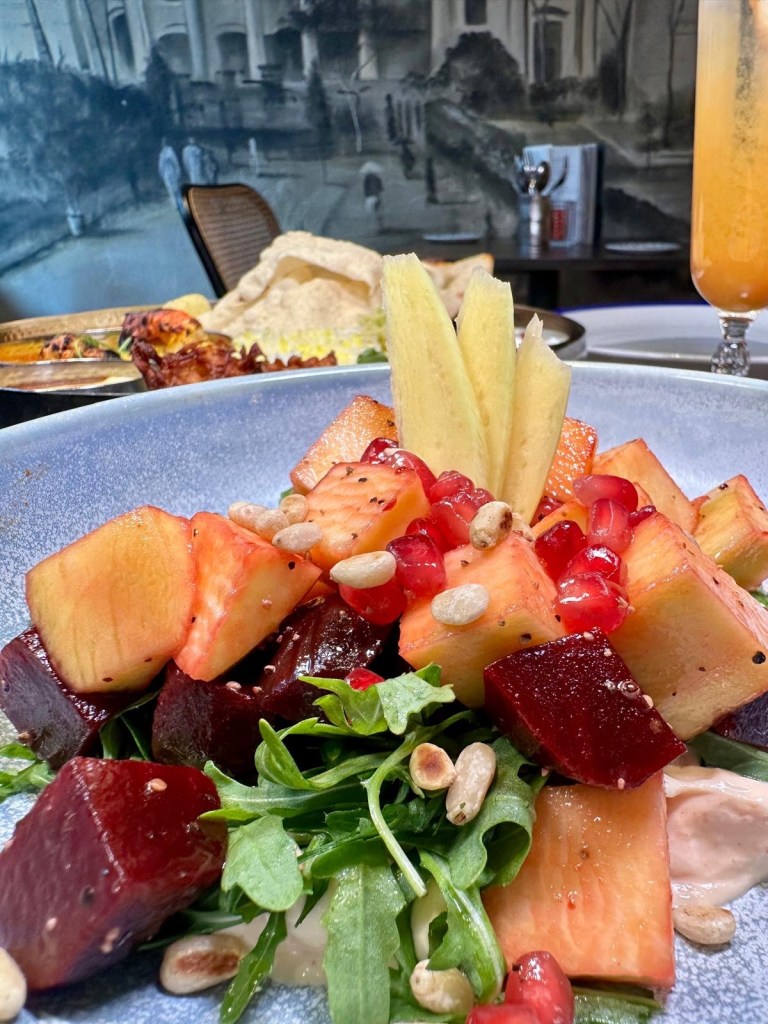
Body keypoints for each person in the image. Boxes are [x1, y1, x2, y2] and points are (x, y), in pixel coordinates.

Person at [158, 139, 183, 211]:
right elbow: (160, 166)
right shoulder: (161, 154)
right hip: (166, 174)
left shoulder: (170, 151)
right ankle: (175, 204)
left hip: (172, 172)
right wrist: (162, 174)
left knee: (175, 188)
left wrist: (177, 171)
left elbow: (175, 161)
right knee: (170, 189)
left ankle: (180, 202)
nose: (163, 144)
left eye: (164, 143)